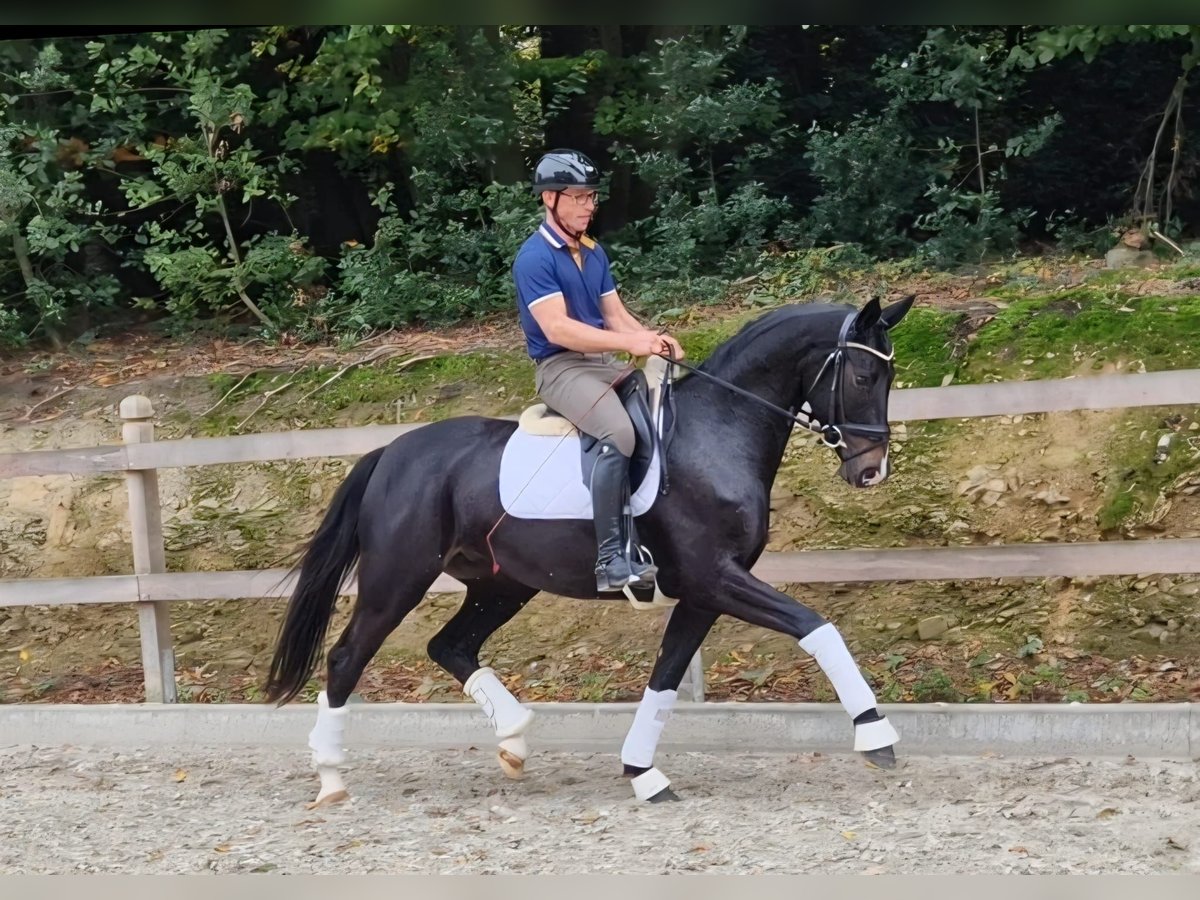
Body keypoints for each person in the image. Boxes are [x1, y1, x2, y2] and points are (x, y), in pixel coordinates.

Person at [511, 148, 685, 593]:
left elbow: (615, 315)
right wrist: (631, 343)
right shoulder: (534, 258)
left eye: (592, 197)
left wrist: (653, 338)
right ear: (550, 198)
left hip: (603, 364)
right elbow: (560, 329)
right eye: (580, 197)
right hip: (561, 368)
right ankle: (610, 558)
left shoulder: (592, 252)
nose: (589, 205)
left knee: (662, 415)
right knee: (618, 433)